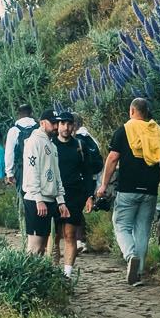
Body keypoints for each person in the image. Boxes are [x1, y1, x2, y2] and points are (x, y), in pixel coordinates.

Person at [100, 95, 160, 285]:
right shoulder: (158, 132)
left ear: (132, 111)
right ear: (146, 112)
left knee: (121, 224)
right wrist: (156, 179)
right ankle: (137, 274)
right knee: (142, 231)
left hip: (128, 188)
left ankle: (130, 256)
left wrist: (104, 185)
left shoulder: (124, 130)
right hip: (150, 191)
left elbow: (113, 158)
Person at [19, 107, 70, 261]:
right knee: (34, 246)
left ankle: (37, 281)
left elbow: (56, 174)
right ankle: (26, 281)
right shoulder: (34, 142)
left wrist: (61, 200)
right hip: (35, 200)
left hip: (50, 200)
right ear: (42, 123)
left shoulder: (52, 145)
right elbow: (31, 171)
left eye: (57, 123)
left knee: (43, 248)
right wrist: (38, 199)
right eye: (53, 123)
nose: (56, 126)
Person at [51, 109, 94, 275]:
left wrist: (89, 196)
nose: (66, 128)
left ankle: (67, 274)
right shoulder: (51, 144)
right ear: (58, 125)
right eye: (63, 124)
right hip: (53, 195)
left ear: (73, 126)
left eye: (69, 124)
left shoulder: (79, 146)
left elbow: (88, 173)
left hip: (74, 195)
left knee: (70, 234)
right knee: (53, 236)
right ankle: (53, 272)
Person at [3, 107, 39, 244]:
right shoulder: (37, 128)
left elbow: (9, 152)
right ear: (31, 113)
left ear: (18, 115)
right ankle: (37, 225)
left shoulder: (14, 130)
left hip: (21, 167)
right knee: (36, 195)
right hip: (36, 166)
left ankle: (24, 228)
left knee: (22, 195)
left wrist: (9, 172)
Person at [69, 117, 103, 255]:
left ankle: (79, 241)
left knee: (76, 210)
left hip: (80, 179)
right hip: (92, 178)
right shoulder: (91, 138)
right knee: (81, 209)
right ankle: (81, 240)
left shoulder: (76, 140)